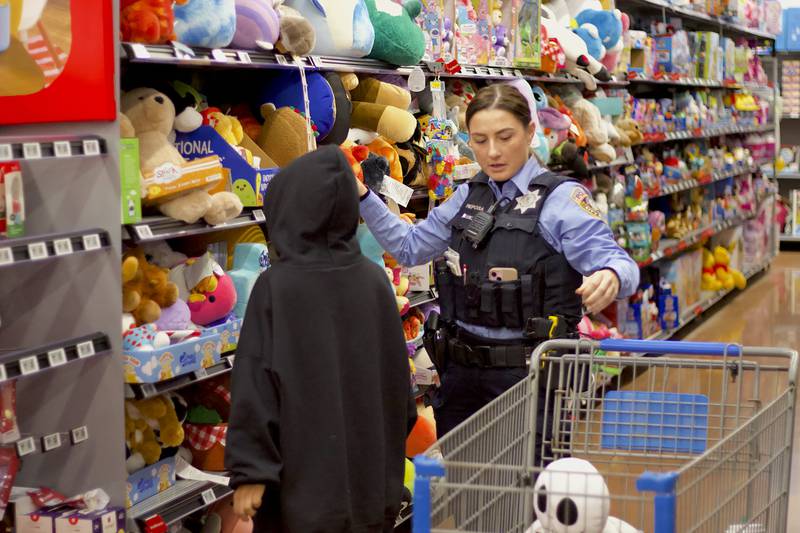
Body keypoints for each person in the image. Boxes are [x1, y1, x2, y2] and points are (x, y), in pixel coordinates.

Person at [357, 84, 639, 441]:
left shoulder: (561, 200)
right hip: (459, 376)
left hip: (527, 378)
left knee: (523, 488)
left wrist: (611, 274)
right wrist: (365, 197)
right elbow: (411, 247)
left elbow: (622, 265)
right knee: (463, 486)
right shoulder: (467, 195)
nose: (492, 152)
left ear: (530, 132)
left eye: (505, 137)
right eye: (479, 139)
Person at [226, 146, 416, 532]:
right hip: (372, 489)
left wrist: (251, 470)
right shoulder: (375, 282)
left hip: (302, 490)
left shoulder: (277, 287)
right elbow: (399, 384)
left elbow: (255, 381)